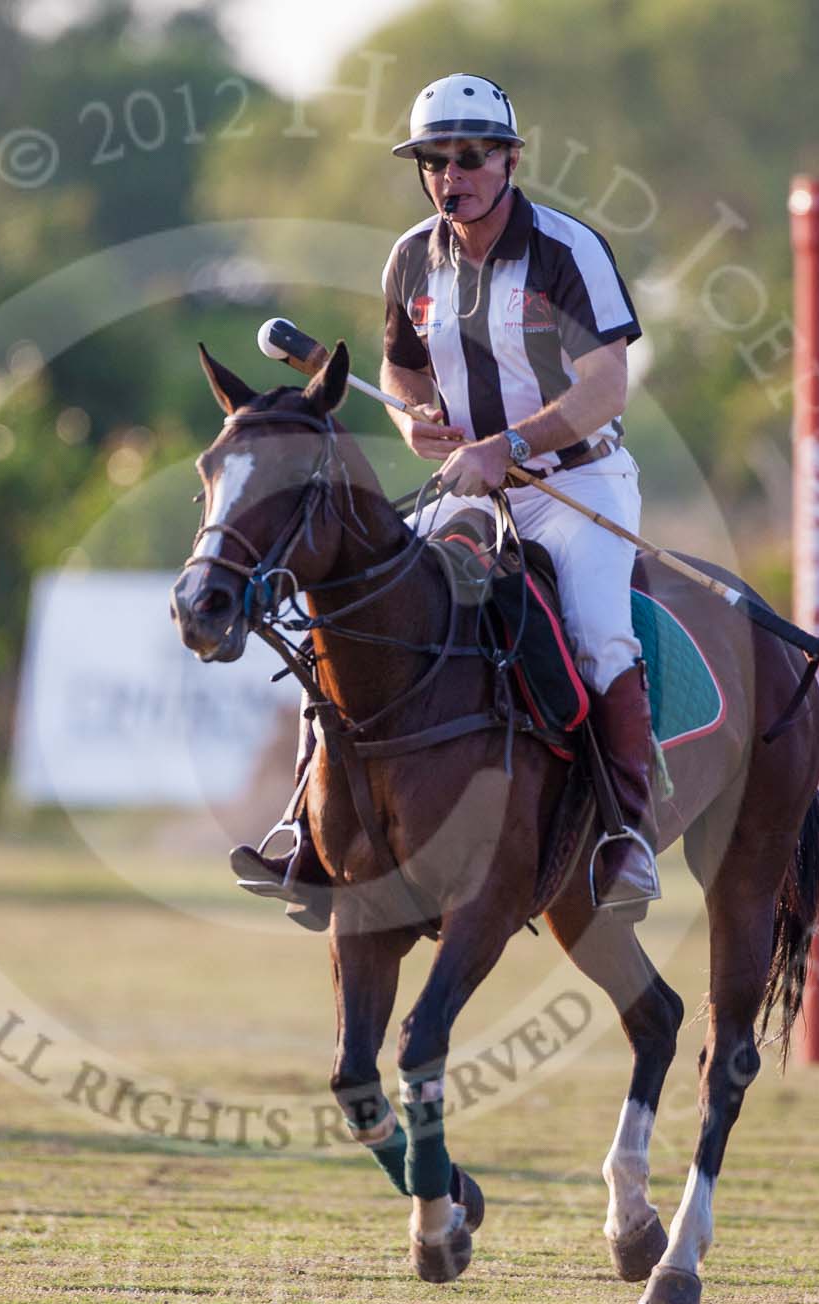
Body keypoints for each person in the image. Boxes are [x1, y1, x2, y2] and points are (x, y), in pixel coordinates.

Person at [232, 72, 659, 920]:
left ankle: (625, 836)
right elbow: (400, 366)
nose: (451, 176)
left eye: (469, 157)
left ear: (509, 159)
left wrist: (511, 445)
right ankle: (312, 835)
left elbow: (608, 383)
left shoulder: (567, 250)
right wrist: (416, 420)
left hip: (574, 482)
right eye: (434, 161)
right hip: (464, 478)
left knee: (601, 632)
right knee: (350, 614)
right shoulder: (409, 257)